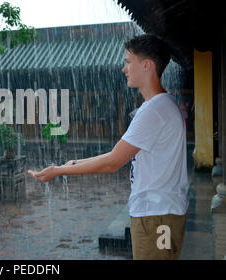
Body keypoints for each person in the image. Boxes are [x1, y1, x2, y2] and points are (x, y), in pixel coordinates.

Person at [27, 34, 189, 260]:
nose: (124, 69)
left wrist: (60, 171)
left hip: (157, 215)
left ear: (146, 65)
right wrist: (69, 164)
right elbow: (117, 153)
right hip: (159, 212)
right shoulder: (162, 104)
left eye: (128, 62)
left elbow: (113, 162)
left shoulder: (153, 110)